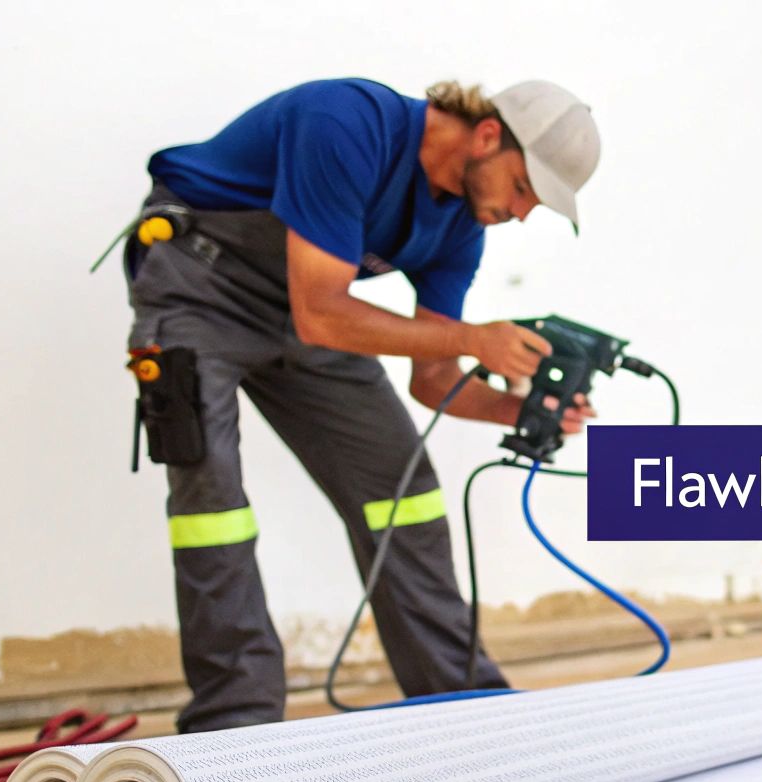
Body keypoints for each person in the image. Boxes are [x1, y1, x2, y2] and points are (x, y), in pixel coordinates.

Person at [122, 77, 601, 732]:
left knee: (404, 490)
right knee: (213, 505)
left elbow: (432, 378)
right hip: (200, 284)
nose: (522, 214)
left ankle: (463, 704)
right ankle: (233, 727)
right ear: (488, 136)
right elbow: (323, 312)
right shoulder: (346, 123)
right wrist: (472, 338)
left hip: (311, 312)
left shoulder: (460, 229)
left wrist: (522, 411)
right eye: (524, 189)